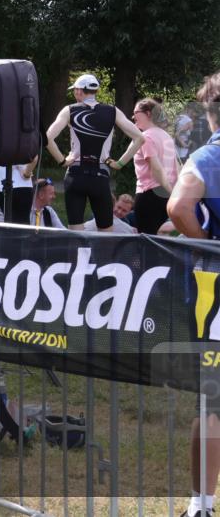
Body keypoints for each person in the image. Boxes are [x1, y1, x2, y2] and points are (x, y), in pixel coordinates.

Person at [169, 72, 220, 517]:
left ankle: (200, 505)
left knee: (212, 401)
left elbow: (178, 207)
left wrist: (207, 244)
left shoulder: (208, 156)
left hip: (214, 292)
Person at [45, 74, 144, 232]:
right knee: (105, 232)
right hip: (100, 175)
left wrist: (62, 160)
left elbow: (47, 138)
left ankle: (78, 250)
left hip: (75, 174)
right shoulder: (113, 111)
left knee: (75, 232)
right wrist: (119, 163)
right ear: (96, 91)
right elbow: (139, 138)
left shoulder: (69, 110)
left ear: (79, 91)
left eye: (75, 90)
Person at [132, 97, 179, 234]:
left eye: (136, 113)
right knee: (160, 237)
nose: (133, 117)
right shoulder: (167, 136)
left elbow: (157, 168)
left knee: (147, 240)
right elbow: (176, 166)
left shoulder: (145, 137)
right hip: (164, 195)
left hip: (149, 195)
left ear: (148, 114)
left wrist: (171, 192)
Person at [0, 158, 38, 225]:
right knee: (21, 225)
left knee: (9, 224)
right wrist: (27, 172)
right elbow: (34, 157)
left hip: (1, 184)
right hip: (22, 184)